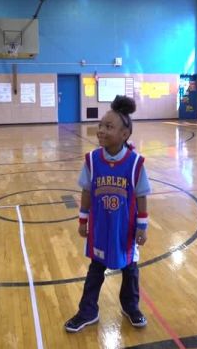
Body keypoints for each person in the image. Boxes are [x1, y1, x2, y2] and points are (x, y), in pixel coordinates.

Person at [64, 95, 152, 333]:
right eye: (101, 125)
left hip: (126, 229)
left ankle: (130, 307)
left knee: (130, 270)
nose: (101, 130)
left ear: (125, 135)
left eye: (108, 127)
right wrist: (83, 220)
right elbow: (86, 191)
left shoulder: (135, 163)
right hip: (101, 228)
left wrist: (143, 227)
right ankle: (88, 311)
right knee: (96, 269)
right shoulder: (92, 160)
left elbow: (142, 196)